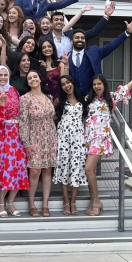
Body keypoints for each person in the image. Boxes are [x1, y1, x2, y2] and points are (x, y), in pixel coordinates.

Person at [84, 66, 132, 216]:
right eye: (94, 84)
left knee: (88, 169)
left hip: (100, 139)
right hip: (88, 139)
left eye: (99, 84)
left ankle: (96, 201)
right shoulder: (88, 99)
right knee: (89, 170)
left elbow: (130, 84)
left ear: (104, 85)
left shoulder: (111, 97)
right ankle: (94, 201)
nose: (96, 86)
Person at [0, 65, 29, 217]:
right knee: (5, 168)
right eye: (0, 75)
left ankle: (11, 202)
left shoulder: (13, 91)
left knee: (19, 167)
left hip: (17, 134)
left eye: (5, 75)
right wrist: (1, 103)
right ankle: (1, 202)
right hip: (2, 134)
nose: (3, 78)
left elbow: (21, 111)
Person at [18, 70, 57, 218]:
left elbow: (52, 118)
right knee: (35, 171)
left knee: (47, 170)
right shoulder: (25, 99)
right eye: (30, 78)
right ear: (27, 82)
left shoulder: (49, 97)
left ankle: (45, 204)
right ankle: (31, 203)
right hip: (34, 138)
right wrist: (26, 143)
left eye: (35, 76)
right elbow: (23, 122)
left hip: (50, 137)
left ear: (40, 79)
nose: (33, 79)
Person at [70, 17, 132, 96]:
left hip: (93, 97)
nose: (80, 39)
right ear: (71, 41)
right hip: (74, 99)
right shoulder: (66, 57)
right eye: (77, 38)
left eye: (82, 38)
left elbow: (111, 46)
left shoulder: (94, 52)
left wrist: (127, 32)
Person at [53, 75, 88, 216]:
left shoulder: (83, 100)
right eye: (63, 84)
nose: (66, 86)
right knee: (63, 168)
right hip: (63, 138)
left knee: (76, 168)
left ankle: (73, 202)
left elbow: (87, 119)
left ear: (73, 83)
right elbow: (51, 116)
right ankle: (66, 201)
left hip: (78, 139)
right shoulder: (59, 101)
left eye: (68, 82)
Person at [38, 38, 69, 102]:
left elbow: (64, 80)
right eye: (44, 47)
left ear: (53, 48)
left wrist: (66, 64)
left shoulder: (59, 64)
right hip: (44, 100)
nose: (47, 49)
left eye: (49, 46)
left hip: (60, 97)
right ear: (41, 50)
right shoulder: (39, 65)